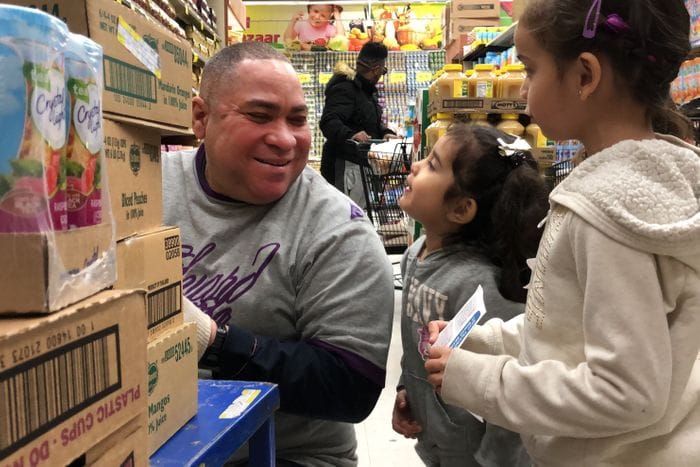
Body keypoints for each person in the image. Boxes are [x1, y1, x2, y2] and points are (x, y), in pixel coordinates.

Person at [424, 1, 700, 466]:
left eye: (530, 71)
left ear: (585, 76)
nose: (526, 94)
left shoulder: (606, 214)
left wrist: (481, 379)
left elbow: (626, 393)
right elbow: (567, 328)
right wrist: (479, 341)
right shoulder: (657, 181)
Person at [162, 41, 395, 467]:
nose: (285, 139)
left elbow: (350, 388)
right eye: (259, 115)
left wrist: (214, 341)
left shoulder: (339, 231)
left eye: (298, 119)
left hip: (284, 454)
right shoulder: (143, 191)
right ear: (200, 117)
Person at [392, 123, 547, 466]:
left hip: (475, 453)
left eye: (433, 165)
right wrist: (407, 388)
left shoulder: (480, 284)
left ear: (461, 209)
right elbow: (415, 343)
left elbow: (510, 382)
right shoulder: (414, 254)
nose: (416, 165)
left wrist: (496, 460)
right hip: (436, 437)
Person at [319, 42, 398, 204]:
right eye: (383, 71)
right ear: (376, 69)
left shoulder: (365, 92)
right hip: (343, 165)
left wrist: (384, 133)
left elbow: (368, 124)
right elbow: (328, 121)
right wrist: (351, 135)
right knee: (343, 218)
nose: (381, 75)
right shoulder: (346, 88)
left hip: (360, 165)